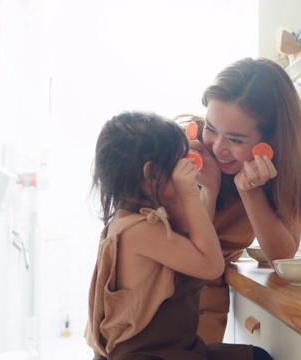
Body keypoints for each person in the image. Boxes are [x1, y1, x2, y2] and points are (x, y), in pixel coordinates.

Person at [84, 111, 272, 359]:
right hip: (150, 355)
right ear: (151, 173)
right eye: (177, 162)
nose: (186, 167)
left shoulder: (134, 219)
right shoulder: (138, 231)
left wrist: (198, 191)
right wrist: (188, 194)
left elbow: (192, 239)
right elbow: (210, 264)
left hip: (173, 348)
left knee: (257, 356)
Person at [179, 57, 301, 343]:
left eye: (236, 140)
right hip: (147, 298)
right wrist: (207, 191)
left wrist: (248, 189)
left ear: (272, 139)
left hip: (205, 307)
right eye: (212, 129)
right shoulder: (183, 147)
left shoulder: (289, 167)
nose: (218, 148)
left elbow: (282, 258)